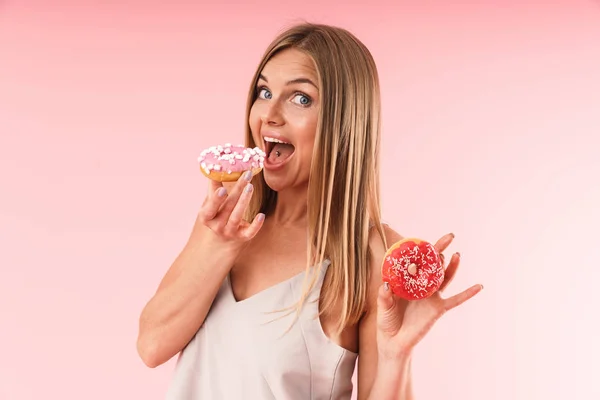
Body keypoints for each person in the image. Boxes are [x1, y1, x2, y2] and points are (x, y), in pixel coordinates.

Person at [136, 22, 483, 399]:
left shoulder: (369, 257)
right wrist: (218, 247)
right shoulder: (225, 221)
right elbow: (152, 346)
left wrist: (396, 355)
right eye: (264, 92)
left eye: (300, 98)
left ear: (344, 122)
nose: (269, 114)